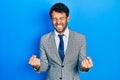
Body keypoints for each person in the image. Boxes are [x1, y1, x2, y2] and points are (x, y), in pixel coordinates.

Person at [28, 2, 93, 80]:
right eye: (54, 19)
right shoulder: (44, 39)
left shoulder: (80, 38)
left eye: (61, 18)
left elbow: (81, 64)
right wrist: (37, 66)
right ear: (51, 19)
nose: (58, 22)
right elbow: (45, 66)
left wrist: (85, 67)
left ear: (68, 18)